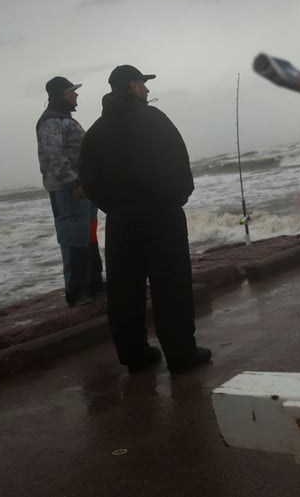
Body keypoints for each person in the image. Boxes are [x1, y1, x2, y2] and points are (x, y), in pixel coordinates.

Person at [78, 64, 211, 374]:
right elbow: (179, 164)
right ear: (132, 87)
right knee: (171, 283)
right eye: (143, 84)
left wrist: (113, 207)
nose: (148, 90)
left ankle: (134, 354)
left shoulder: (96, 131)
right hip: (162, 215)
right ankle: (181, 354)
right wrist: (175, 199)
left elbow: (89, 178)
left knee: (124, 288)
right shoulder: (155, 120)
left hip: (121, 220)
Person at [36, 76, 105, 307]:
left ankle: (95, 284)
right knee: (73, 240)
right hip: (69, 192)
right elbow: (55, 157)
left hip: (83, 190)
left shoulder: (65, 120)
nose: (76, 95)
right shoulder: (51, 122)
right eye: (71, 91)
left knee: (89, 237)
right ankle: (76, 293)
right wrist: (74, 183)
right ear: (60, 95)